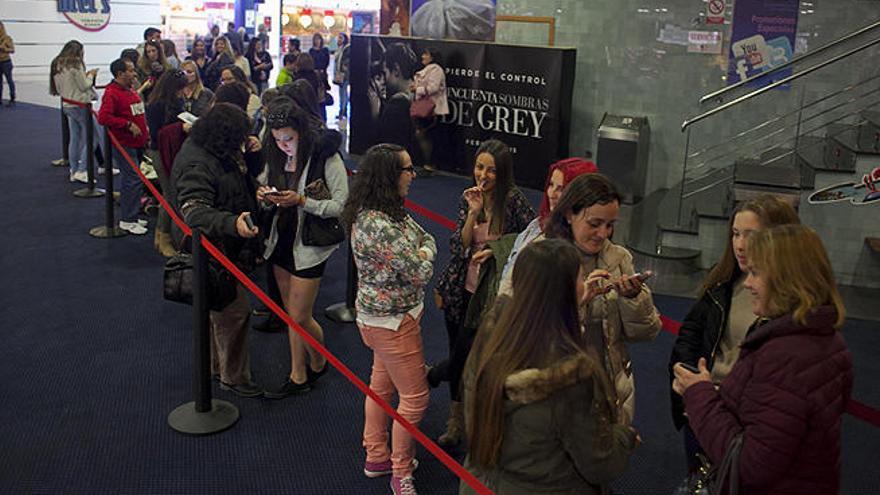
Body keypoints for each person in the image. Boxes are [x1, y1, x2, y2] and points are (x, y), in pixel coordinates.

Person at [673, 224, 853, 495]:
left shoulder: (787, 356)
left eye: (756, 273)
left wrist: (699, 394)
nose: (748, 283)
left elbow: (749, 465)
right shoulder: (824, 338)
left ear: (786, 280)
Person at [461, 239, 638, 495]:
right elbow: (599, 464)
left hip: (481, 482)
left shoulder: (494, 335)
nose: (585, 281)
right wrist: (625, 436)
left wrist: (573, 307)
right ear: (565, 290)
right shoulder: (569, 376)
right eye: (580, 277)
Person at [668, 195, 801, 478]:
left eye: (750, 235)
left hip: (740, 422)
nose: (739, 244)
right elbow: (690, 335)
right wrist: (688, 385)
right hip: (701, 408)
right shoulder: (723, 283)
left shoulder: (790, 305)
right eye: (735, 234)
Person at [341, 143, 435, 495]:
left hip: (383, 320)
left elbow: (424, 236)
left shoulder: (384, 210)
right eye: (407, 169)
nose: (413, 175)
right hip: (392, 324)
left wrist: (423, 247)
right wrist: (426, 251)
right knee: (415, 399)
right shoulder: (377, 224)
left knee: (380, 389)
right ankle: (400, 471)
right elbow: (420, 269)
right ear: (388, 176)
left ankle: (376, 455)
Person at [432, 139, 536, 446]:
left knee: (473, 355)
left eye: (491, 170)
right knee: (459, 352)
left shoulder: (513, 200)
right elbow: (457, 246)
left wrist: (495, 249)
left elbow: (530, 239)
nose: (483, 175)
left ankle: (438, 376)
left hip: (490, 295)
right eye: (479, 167)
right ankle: (456, 420)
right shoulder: (470, 197)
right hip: (460, 288)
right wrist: (472, 212)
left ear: (503, 173)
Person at [544, 173, 662, 425]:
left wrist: (633, 298)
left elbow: (646, 333)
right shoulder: (538, 256)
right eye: (594, 223)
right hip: (554, 387)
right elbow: (515, 327)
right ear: (568, 214)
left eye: (610, 225)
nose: (603, 234)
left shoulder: (620, 258)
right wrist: (577, 302)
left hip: (609, 386)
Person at [172, 102, 264, 398]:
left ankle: (216, 368)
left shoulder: (213, 147)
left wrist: (254, 153)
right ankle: (234, 378)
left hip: (224, 246)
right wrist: (231, 223)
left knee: (216, 311)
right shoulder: (198, 162)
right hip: (213, 249)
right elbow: (195, 213)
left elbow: (241, 179)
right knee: (233, 313)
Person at [258, 97, 348, 398]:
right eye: (278, 140)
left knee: (299, 316)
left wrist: (302, 202)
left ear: (301, 132)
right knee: (289, 315)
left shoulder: (326, 156)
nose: (283, 145)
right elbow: (264, 180)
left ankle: (320, 361)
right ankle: (298, 373)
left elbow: (341, 206)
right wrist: (263, 193)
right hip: (280, 239)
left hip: (309, 244)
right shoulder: (275, 154)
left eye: (289, 139)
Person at [497, 158, 599, 295]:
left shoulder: (590, 247)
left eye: (561, 188)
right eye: (551, 185)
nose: (552, 194)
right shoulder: (536, 226)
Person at [97, 58, 149, 235]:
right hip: (124, 144)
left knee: (134, 180)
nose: (134, 73)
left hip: (138, 142)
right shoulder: (112, 93)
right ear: (120, 74)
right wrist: (126, 124)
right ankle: (128, 218)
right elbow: (103, 117)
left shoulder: (129, 89)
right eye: (131, 70)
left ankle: (132, 214)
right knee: (132, 179)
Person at [145, 69, 188, 257]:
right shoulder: (159, 105)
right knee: (169, 195)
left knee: (169, 194)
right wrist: (181, 127)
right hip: (161, 152)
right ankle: (164, 237)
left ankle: (162, 235)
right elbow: (159, 133)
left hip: (168, 151)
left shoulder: (166, 101)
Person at [53, 42, 99, 183]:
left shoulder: (58, 64)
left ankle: (74, 170)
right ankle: (82, 169)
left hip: (67, 104)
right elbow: (84, 85)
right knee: (94, 138)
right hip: (79, 105)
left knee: (75, 137)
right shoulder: (76, 64)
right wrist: (91, 75)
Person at [378, 43, 419, 161]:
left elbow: (386, 145)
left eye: (385, 72)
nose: (383, 81)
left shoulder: (397, 106)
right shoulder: (419, 92)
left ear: (396, 69)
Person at [410, 48, 448, 172]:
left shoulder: (436, 70)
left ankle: (431, 164)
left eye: (425, 54)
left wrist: (417, 89)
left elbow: (433, 87)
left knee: (429, 136)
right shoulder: (427, 70)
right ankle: (426, 162)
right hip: (424, 109)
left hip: (432, 110)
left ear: (432, 57)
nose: (422, 56)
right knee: (423, 135)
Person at [292, 53, 325, 122]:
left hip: (302, 109)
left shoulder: (296, 78)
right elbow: (327, 87)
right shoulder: (317, 76)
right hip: (317, 108)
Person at [333, 33, 350, 120]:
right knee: (343, 93)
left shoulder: (346, 48)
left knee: (342, 93)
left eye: (340, 38)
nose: (338, 39)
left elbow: (346, 62)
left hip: (344, 75)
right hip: (340, 73)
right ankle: (343, 111)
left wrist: (343, 70)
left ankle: (342, 111)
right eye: (338, 38)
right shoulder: (340, 49)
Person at [0, 21, 16, 107]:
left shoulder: (7, 38)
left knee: (9, 81)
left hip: (6, 63)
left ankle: (12, 98)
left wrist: (4, 48)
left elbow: (12, 50)